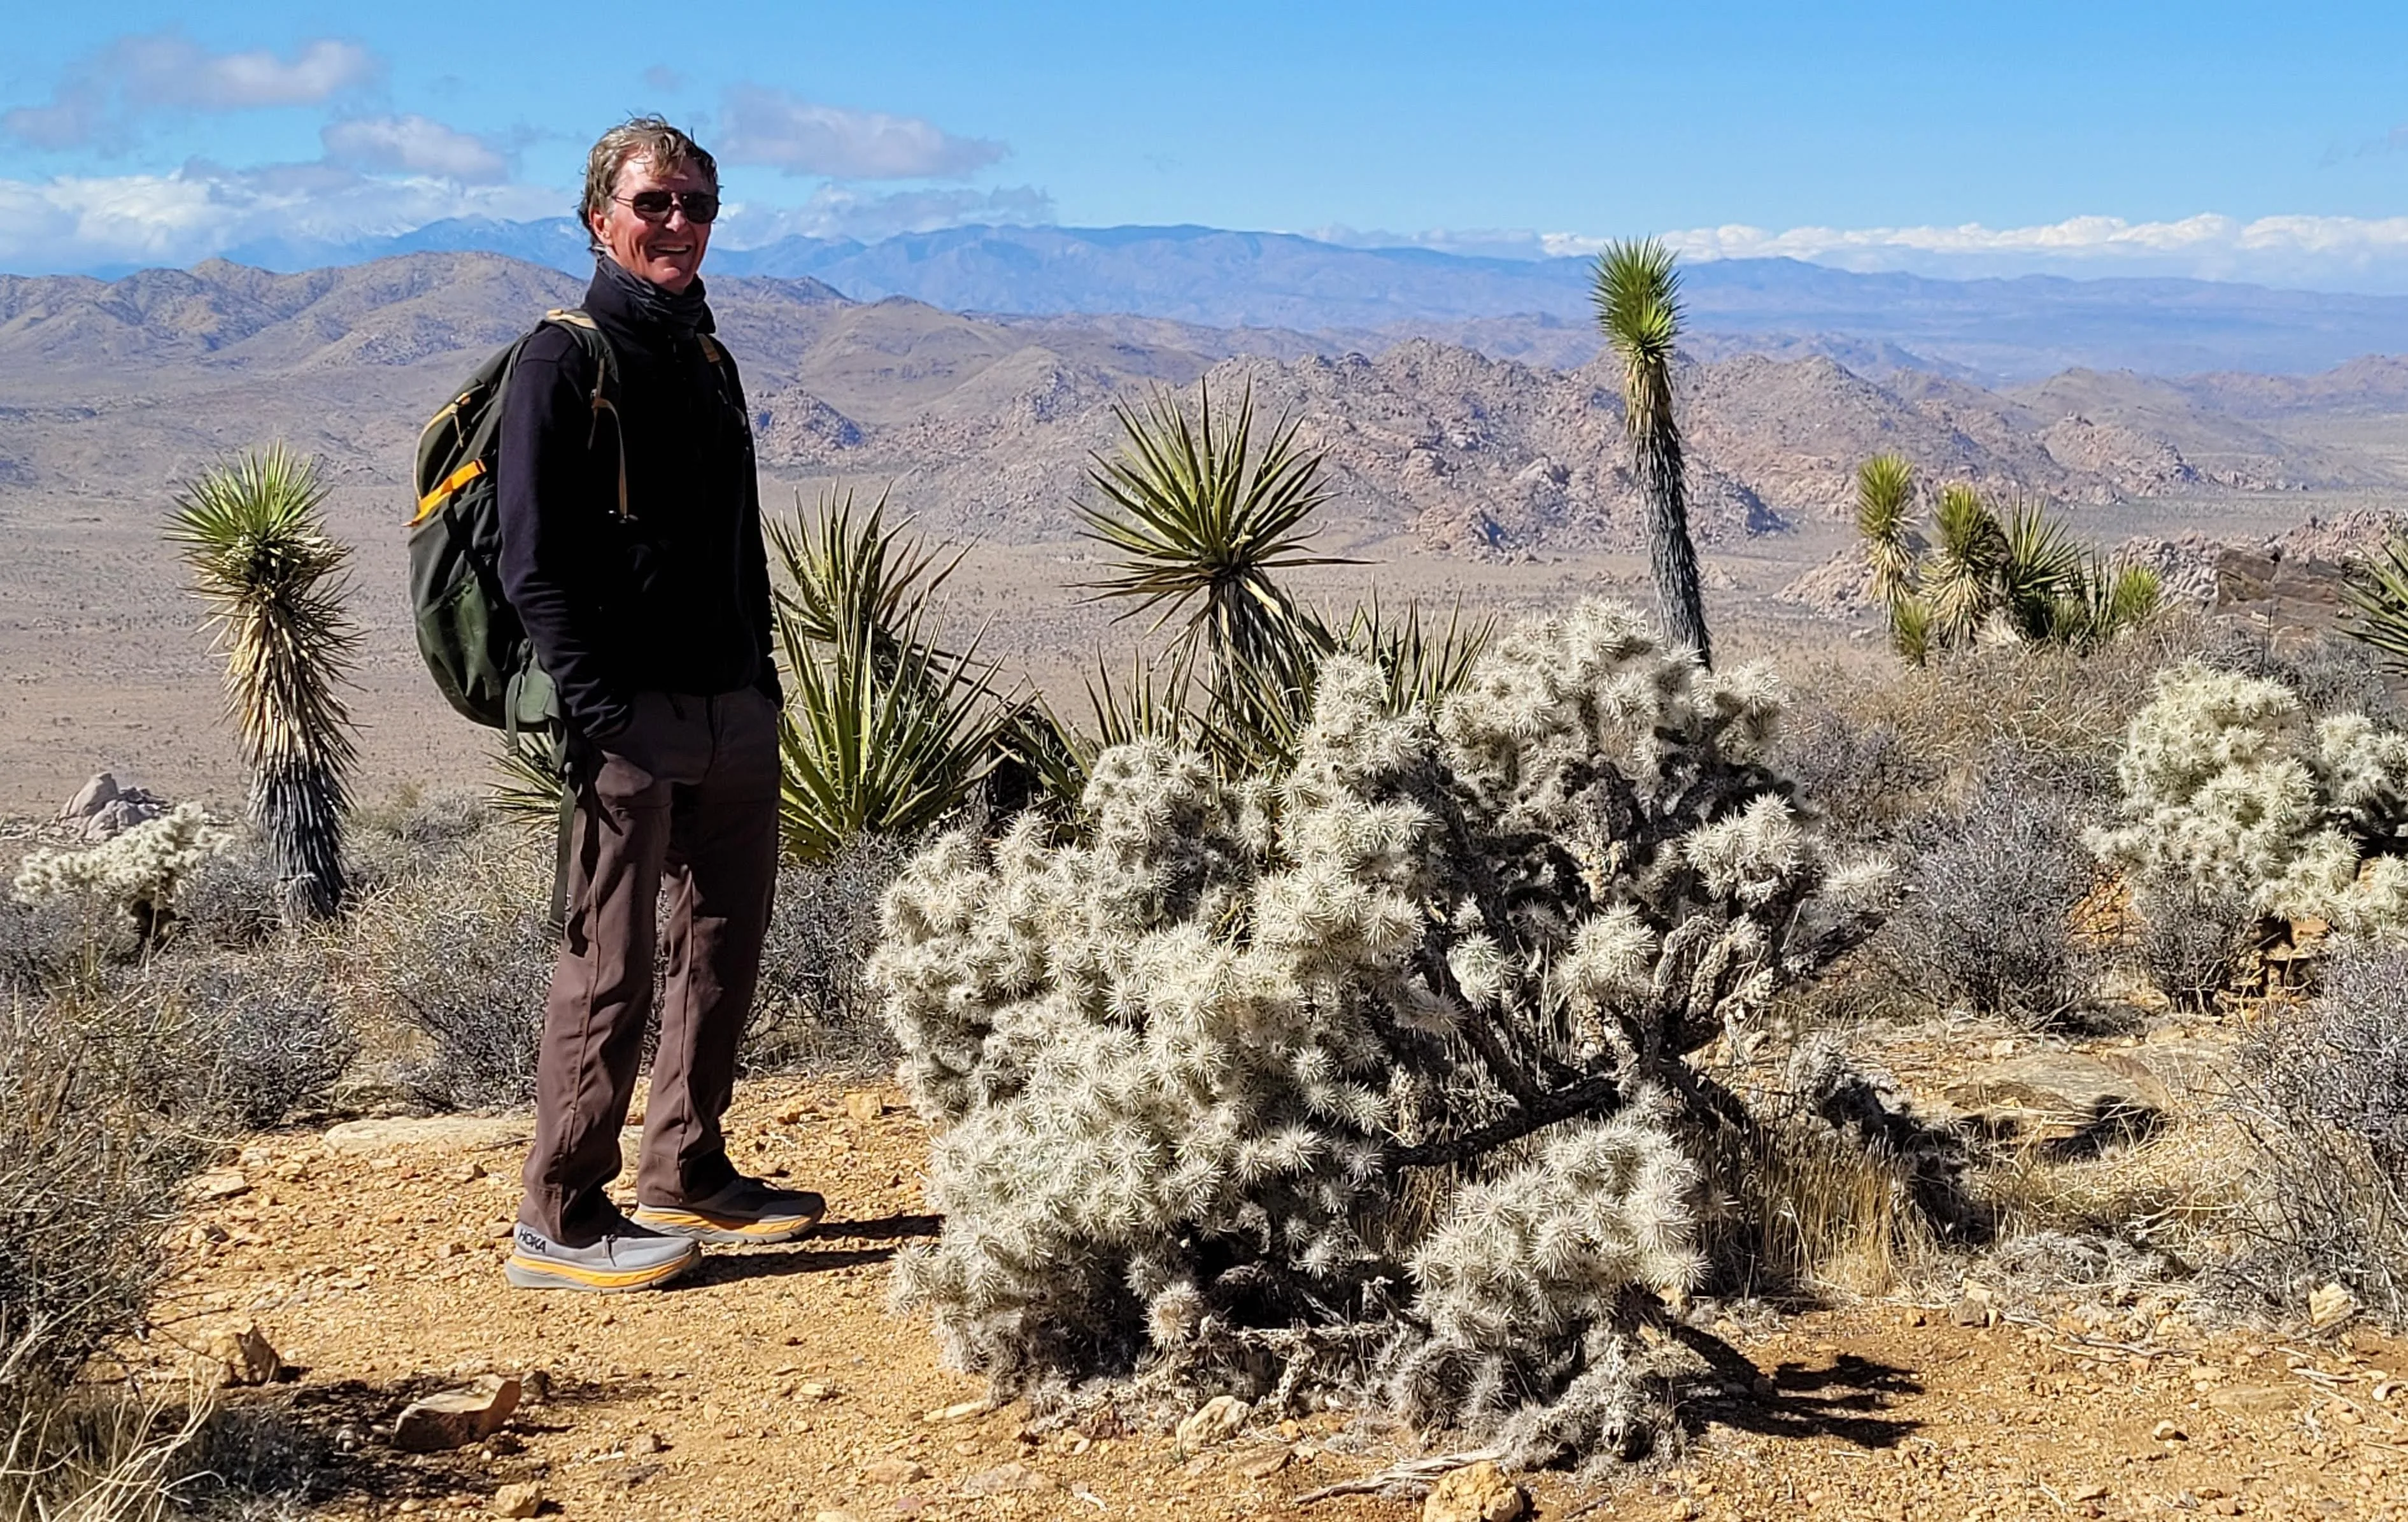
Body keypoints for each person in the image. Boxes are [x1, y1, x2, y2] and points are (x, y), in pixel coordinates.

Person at [497, 115, 822, 1292]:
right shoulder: (562, 358)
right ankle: (560, 1213)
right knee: (611, 962)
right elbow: (528, 561)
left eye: (696, 205)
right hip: (629, 716)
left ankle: (685, 1165)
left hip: (734, 706)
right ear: (600, 220)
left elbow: (736, 546)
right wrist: (603, 710)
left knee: (723, 947)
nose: (677, 224)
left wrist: (763, 685)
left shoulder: (706, 357)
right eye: (654, 205)